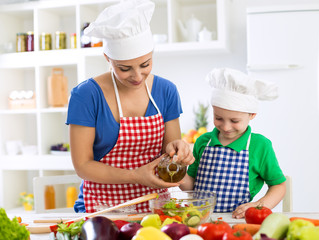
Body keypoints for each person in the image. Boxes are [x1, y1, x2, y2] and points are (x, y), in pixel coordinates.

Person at [66, 0, 194, 213]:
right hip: (101, 207)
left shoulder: (166, 91)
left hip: (156, 205)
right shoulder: (86, 95)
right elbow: (83, 166)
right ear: (108, 58)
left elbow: (169, 151)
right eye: (125, 68)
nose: (137, 76)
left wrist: (179, 151)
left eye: (145, 64)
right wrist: (135, 175)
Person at [180, 68, 286, 219]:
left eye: (234, 121)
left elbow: (279, 186)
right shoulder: (203, 141)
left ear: (252, 115)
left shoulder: (260, 145)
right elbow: (191, 187)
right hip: (201, 219)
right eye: (218, 118)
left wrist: (259, 205)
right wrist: (178, 175)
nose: (226, 127)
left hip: (238, 221)